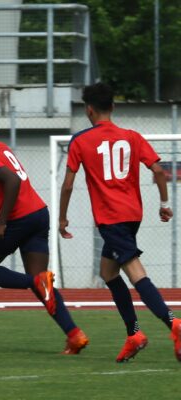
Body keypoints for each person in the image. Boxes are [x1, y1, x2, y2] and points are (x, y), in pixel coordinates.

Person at [59, 82, 181, 362]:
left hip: (111, 219)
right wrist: (164, 205)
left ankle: (174, 323)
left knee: (136, 273)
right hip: (132, 216)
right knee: (108, 272)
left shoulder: (80, 141)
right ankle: (134, 334)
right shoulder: (132, 136)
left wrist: (63, 218)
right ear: (112, 107)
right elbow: (159, 170)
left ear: (89, 110)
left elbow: (67, 185)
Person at [0, 112, 89, 355]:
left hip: (18, 218)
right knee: (42, 285)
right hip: (38, 214)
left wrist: (2, 222)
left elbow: (13, 181)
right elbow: (6, 182)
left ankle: (34, 281)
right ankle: (74, 335)